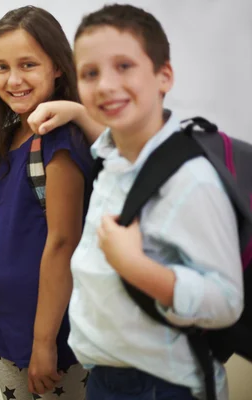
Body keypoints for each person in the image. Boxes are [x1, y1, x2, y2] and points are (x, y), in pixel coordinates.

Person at [67, 4, 243, 399]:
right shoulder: (112, 159)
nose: (106, 85)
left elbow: (226, 302)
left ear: (164, 75)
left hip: (160, 385)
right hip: (105, 377)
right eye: (90, 73)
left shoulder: (190, 179)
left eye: (124, 66)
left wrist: (134, 266)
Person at [0, 6, 92, 400]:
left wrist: (44, 343)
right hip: (7, 329)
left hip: (53, 340)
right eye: (1, 67)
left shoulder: (60, 140)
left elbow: (61, 242)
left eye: (27, 65)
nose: (13, 79)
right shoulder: (5, 138)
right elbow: (3, 219)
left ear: (57, 66)